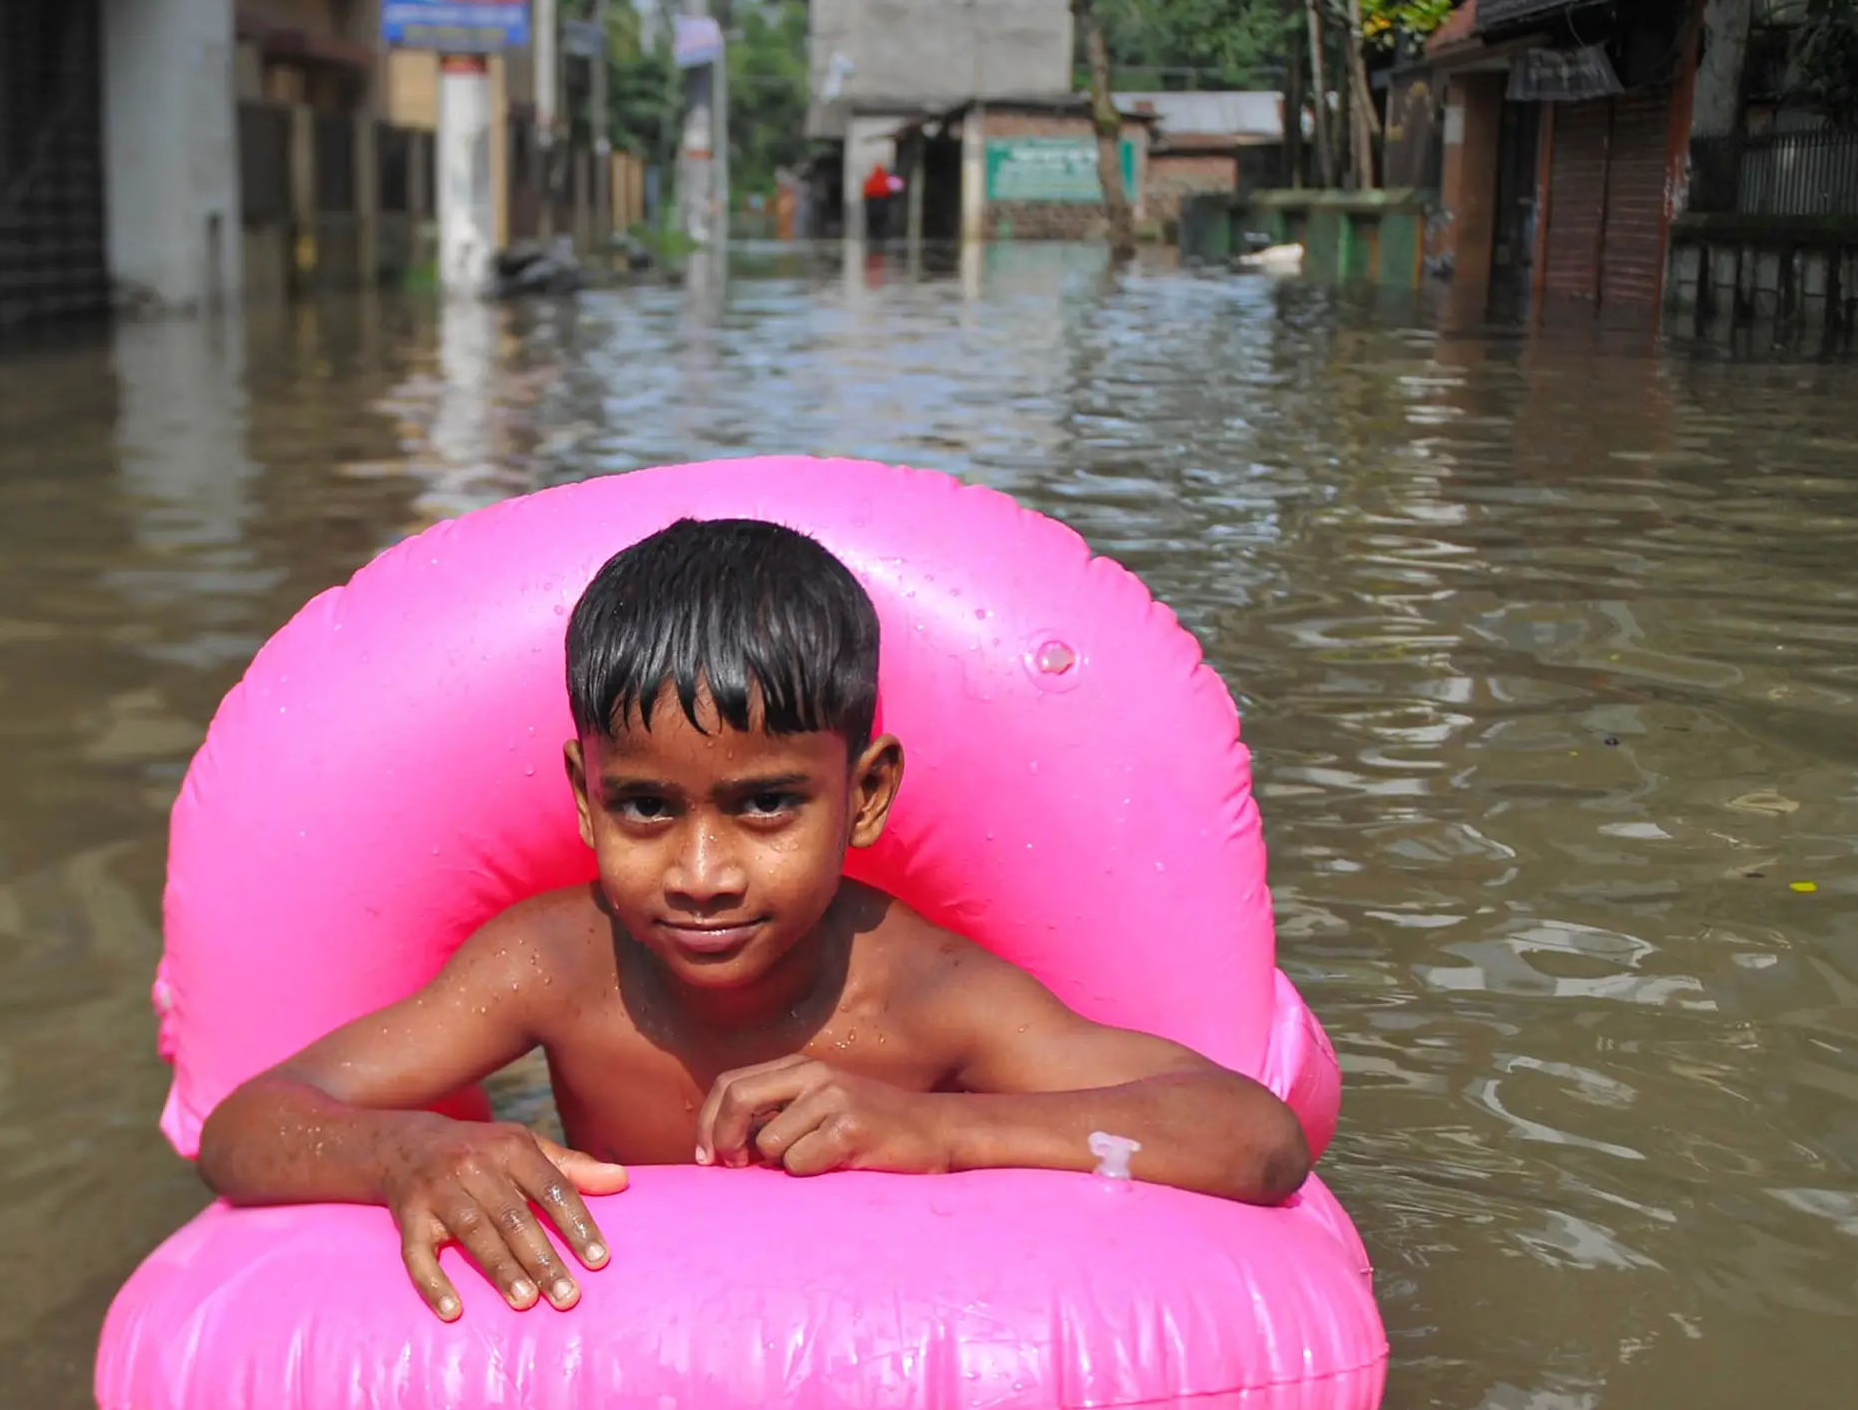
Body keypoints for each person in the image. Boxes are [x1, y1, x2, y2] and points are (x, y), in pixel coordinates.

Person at [195, 517, 1316, 1320]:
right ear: (587, 798)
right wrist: (410, 1149)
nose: (700, 874)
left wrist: (937, 1132)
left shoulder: (926, 997)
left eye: (765, 805)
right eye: (644, 807)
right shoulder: (551, 964)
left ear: (865, 792)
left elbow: (1254, 1136)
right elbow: (247, 1127)